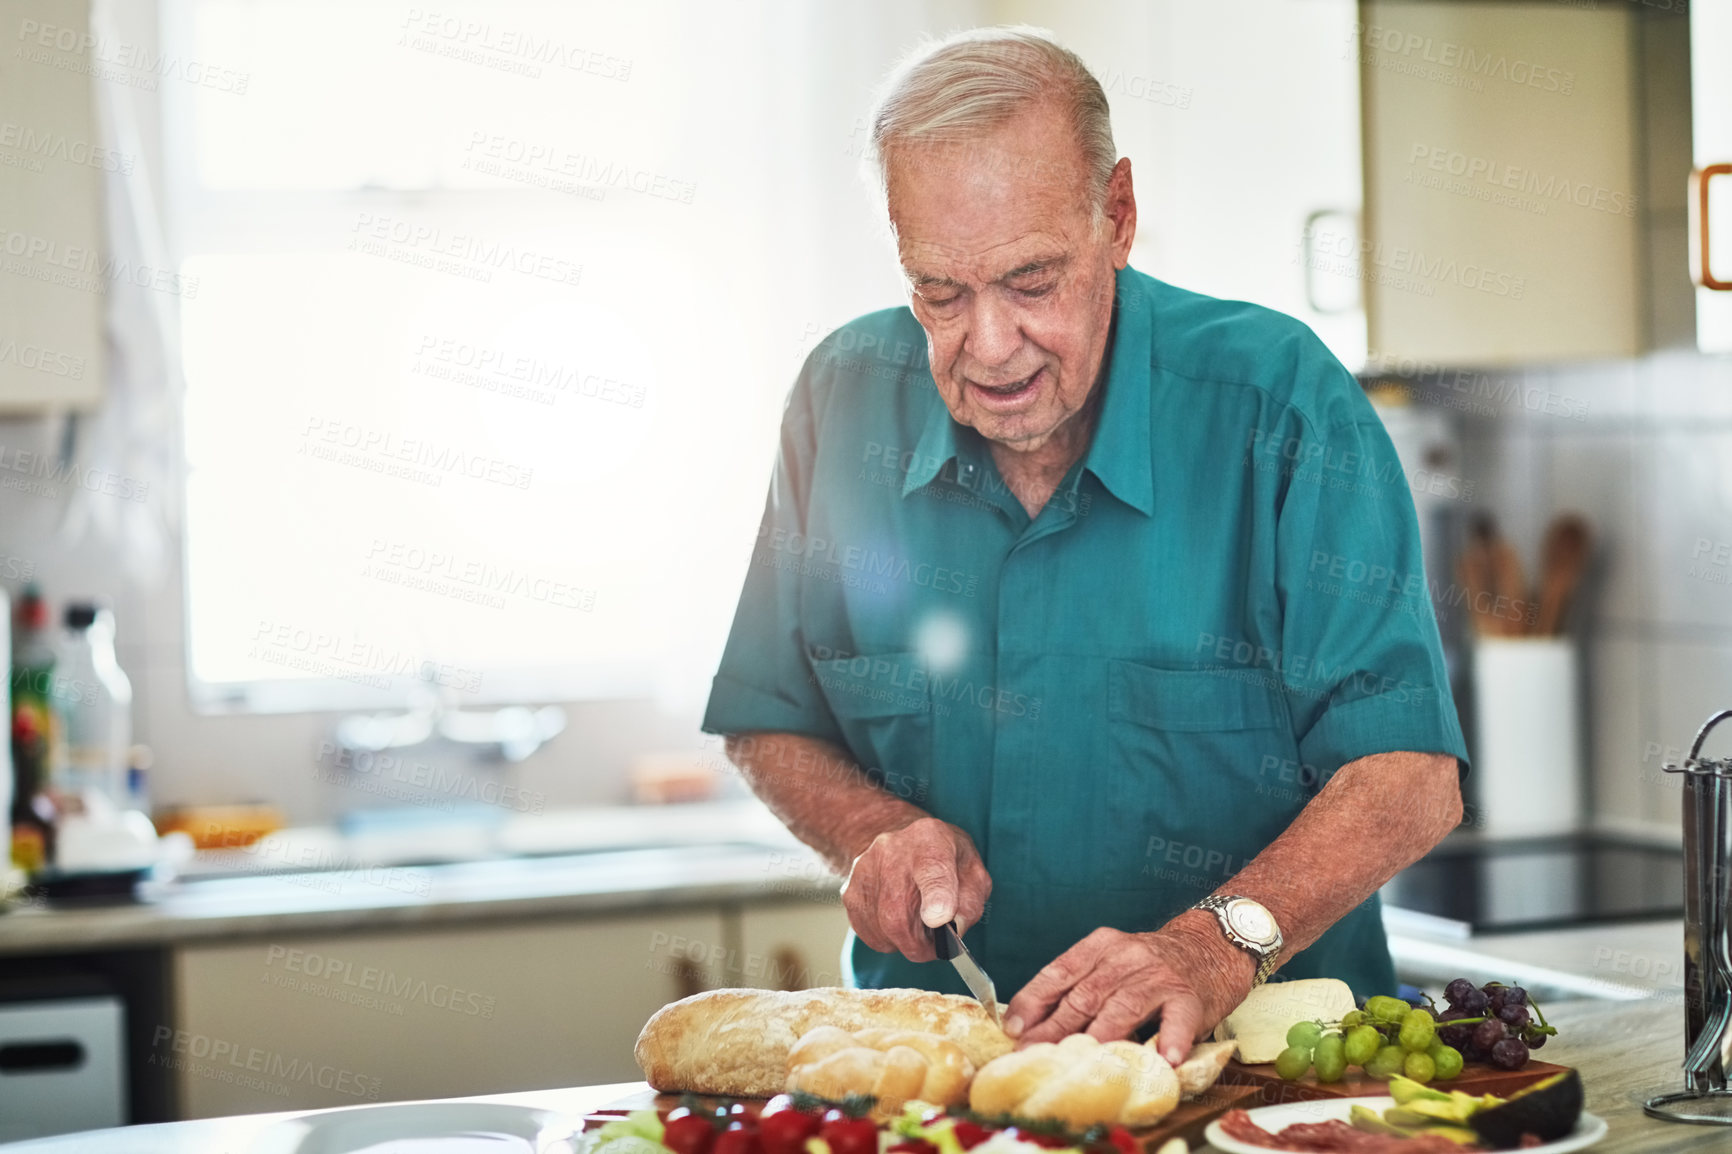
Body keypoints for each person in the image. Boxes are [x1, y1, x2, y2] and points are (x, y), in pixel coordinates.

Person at [702, 26, 1467, 1066]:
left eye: (1029, 281)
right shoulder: (840, 399)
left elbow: (1407, 775)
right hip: (938, 1084)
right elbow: (768, 717)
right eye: (939, 290)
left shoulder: (1280, 402)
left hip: (1270, 1086)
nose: (988, 344)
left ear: (1116, 216)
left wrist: (1210, 945)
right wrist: (868, 825)